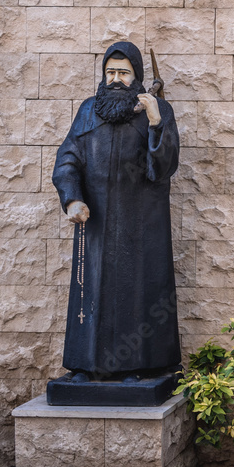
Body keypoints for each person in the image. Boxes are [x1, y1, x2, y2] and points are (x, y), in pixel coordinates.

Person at [51, 41, 180, 384]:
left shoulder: (159, 111)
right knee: (91, 289)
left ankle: (137, 365)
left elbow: (164, 169)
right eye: (110, 72)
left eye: (123, 73)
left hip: (143, 221)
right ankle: (85, 364)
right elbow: (68, 158)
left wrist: (155, 123)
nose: (115, 79)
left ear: (136, 76)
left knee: (138, 290)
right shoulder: (89, 110)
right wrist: (72, 198)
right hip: (98, 221)